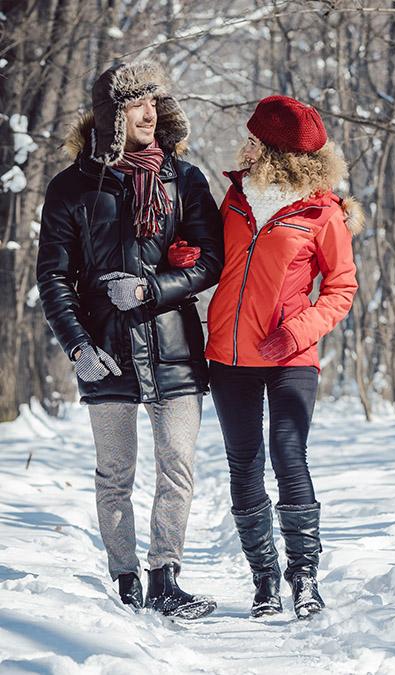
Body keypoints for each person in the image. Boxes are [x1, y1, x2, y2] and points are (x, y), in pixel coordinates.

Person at [37, 59, 223, 620]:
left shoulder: (183, 178)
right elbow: (53, 276)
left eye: (154, 102)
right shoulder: (71, 187)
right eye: (136, 103)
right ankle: (125, 583)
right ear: (110, 115)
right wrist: (78, 346)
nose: (150, 112)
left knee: (178, 467)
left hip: (174, 347)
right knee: (114, 474)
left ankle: (166, 577)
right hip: (106, 350)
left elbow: (212, 260)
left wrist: (151, 288)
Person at [205, 95, 364, 620]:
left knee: (288, 456)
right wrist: (188, 258)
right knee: (244, 465)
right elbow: (214, 262)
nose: (243, 145)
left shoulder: (321, 211)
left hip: (291, 354)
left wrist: (298, 331)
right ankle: (265, 582)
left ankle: (305, 579)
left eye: (253, 139)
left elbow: (341, 289)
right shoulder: (232, 199)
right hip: (229, 355)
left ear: (274, 151)